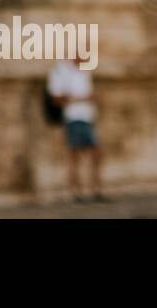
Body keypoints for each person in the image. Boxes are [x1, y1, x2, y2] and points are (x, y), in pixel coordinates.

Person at [46, 54, 105, 203]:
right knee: (75, 156)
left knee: (96, 153)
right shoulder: (61, 70)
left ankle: (96, 190)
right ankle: (75, 193)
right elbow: (57, 98)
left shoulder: (85, 71)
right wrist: (83, 98)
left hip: (87, 117)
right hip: (73, 118)